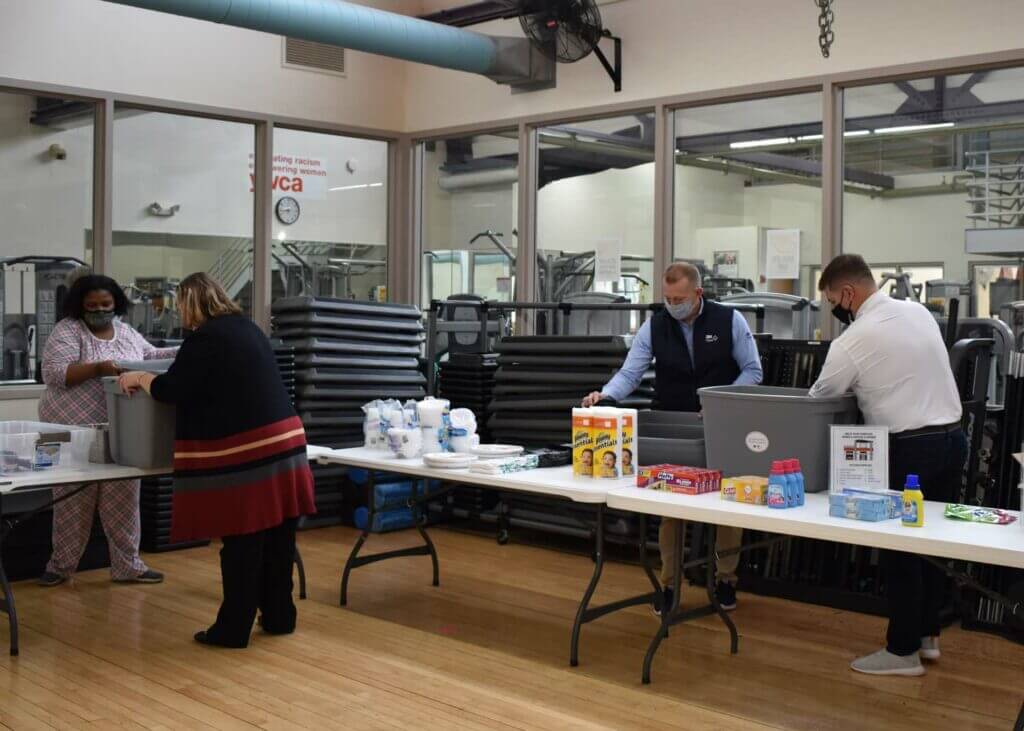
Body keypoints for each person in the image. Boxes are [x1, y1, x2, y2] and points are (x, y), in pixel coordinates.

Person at [119, 273, 316, 648]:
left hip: (251, 452)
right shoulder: (247, 328)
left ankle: (232, 628)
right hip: (286, 441)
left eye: (180, 306)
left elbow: (171, 389)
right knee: (279, 537)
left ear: (191, 304)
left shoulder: (205, 338)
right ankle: (279, 616)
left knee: (242, 541)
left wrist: (140, 377)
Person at [809, 254, 964, 677]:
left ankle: (901, 652)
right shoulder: (918, 313)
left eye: (831, 301)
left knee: (900, 550)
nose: (835, 311)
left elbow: (821, 396)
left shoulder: (853, 340)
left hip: (909, 447)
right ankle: (928, 636)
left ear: (847, 293)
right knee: (933, 543)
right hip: (953, 439)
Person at [582, 263, 763, 613]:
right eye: (667, 298)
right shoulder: (655, 325)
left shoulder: (730, 320)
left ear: (698, 294)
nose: (672, 304)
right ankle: (668, 584)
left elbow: (752, 370)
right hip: (673, 425)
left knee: (727, 505)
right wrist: (605, 397)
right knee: (671, 509)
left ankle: (726, 580)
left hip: (721, 424)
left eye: (679, 298)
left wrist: (720, 401)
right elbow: (631, 372)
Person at [37, 273, 175, 586]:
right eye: (92, 306)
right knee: (72, 500)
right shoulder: (68, 331)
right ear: (79, 306)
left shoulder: (125, 332)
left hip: (122, 430)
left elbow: (150, 355)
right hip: (73, 432)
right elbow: (55, 373)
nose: (100, 310)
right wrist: (98, 368)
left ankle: (128, 565)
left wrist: (186, 351)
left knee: (125, 498)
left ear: (116, 304)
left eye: (106, 304)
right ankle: (61, 566)